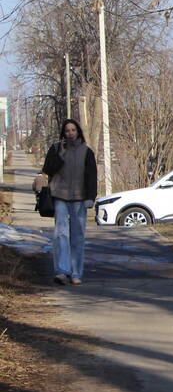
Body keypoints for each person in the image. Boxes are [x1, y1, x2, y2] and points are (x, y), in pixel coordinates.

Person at [41, 118, 98, 286]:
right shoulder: (56, 148)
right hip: (60, 196)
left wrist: (90, 197)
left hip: (80, 199)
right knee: (61, 234)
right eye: (67, 131)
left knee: (77, 236)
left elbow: (91, 176)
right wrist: (61, 154)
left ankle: (75, 273)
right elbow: (48, 169)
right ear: (63, 133)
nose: (70, 133)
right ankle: (61, 271)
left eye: (73, 130)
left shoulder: (86, 152)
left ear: (78, 132)